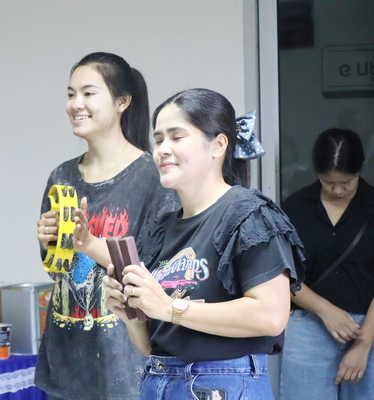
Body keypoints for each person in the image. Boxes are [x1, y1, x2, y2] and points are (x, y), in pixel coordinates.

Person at [103, 88, 304, 399]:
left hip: (222, 385)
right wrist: (129, 315)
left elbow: (271, 316)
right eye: (158, 140)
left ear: (218, 145)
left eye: (176, 137)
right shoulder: (159, 229)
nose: (163, 149)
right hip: (158, 379)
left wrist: (169, 307)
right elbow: (149, 345)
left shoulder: (249, 214)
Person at [35, 52, 179, 400]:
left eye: (88, 93)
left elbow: (160, 274)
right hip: (66, 363)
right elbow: (57, 269)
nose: (76, 104)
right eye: (71, 94)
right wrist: (48, 241)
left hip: (126, 369)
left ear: (122, 101)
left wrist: (90, 243)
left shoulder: (152, 176)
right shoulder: (61, 176)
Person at [280, 128, 374, 399]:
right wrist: (325, 310)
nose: (338, 189)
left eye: (347, 181)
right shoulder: (296, 208)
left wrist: (364, 343)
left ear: (361, 167)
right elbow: (282, 274)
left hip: (368, 327)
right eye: (328, 181)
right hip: (308, 326)